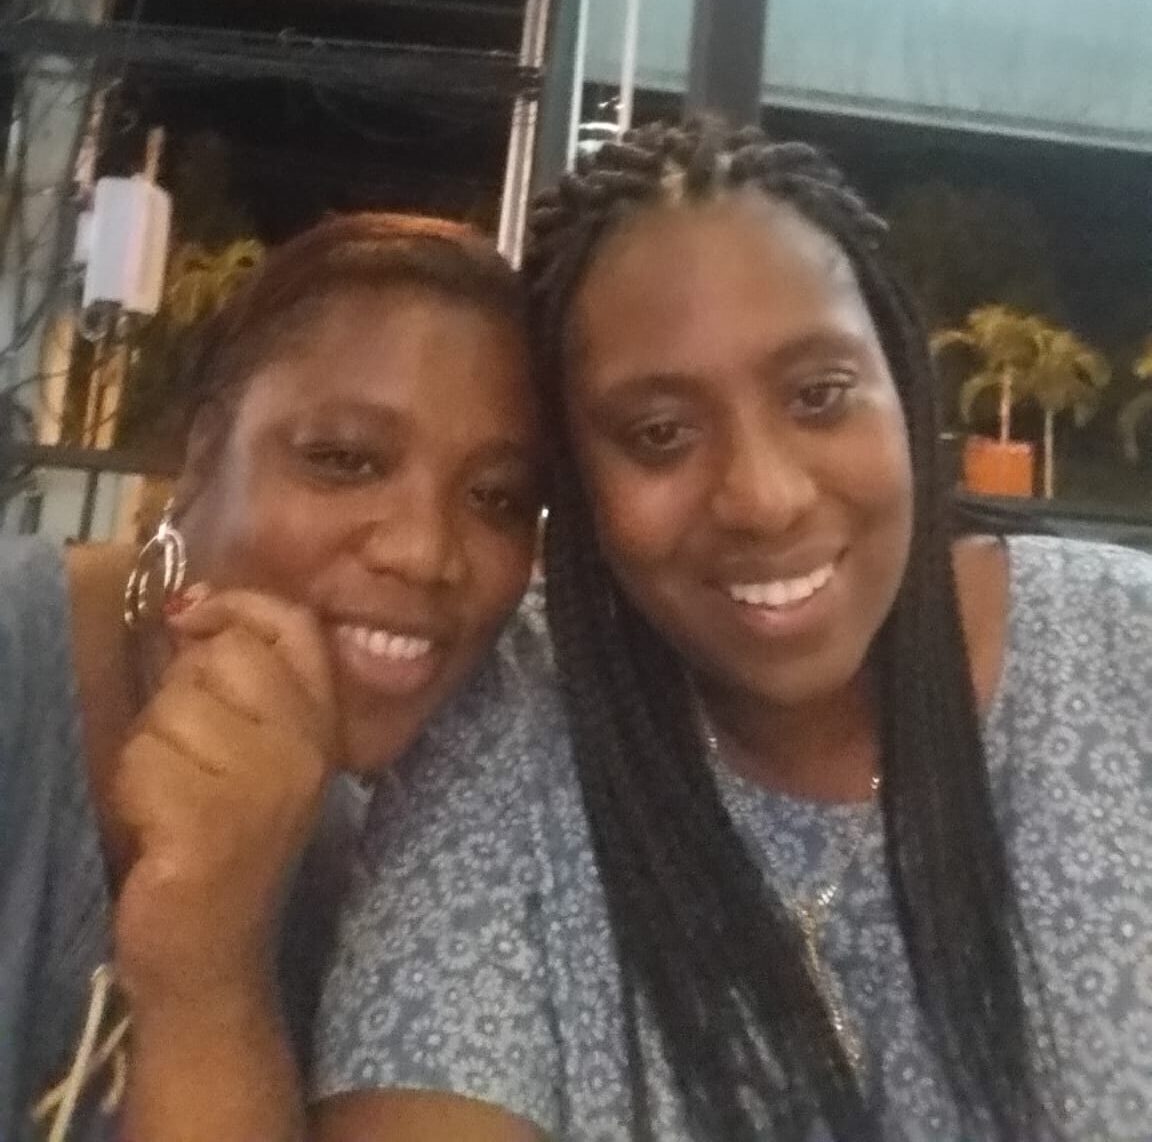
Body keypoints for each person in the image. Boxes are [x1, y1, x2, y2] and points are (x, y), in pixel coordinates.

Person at [311, 122, 1152, 1141]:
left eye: (820, 396)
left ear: (904, 389)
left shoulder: (1125, 650)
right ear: (574, 486)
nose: (763, 496)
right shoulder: (504, 743)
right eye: (659, 434)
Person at [0, 211, 544, 1142]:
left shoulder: (400, 863)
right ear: (204, 453)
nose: (425, 553)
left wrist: (213, 967)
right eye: (345, 460)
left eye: (496, 498)